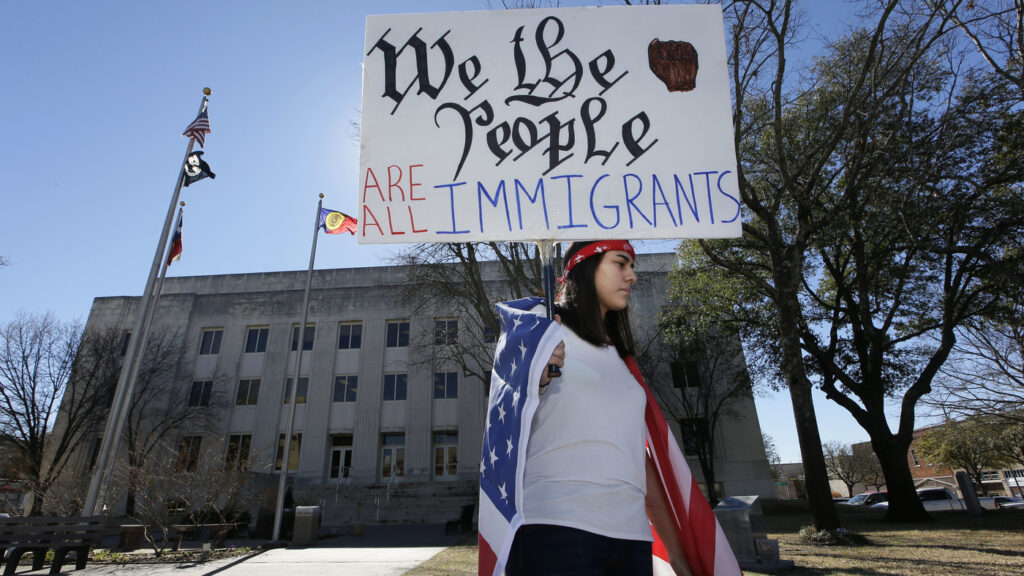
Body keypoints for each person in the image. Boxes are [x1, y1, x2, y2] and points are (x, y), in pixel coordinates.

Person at [503, 240, 693, 576]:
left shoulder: (621, 360)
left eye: (632, 266)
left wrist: (676, 555)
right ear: (586, 266)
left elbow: (639, 459)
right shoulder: (541, 327)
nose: (632, 276)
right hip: (557, 529)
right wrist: (537, 376)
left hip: (632, 538)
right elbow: (507, 407)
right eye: (621, 263)